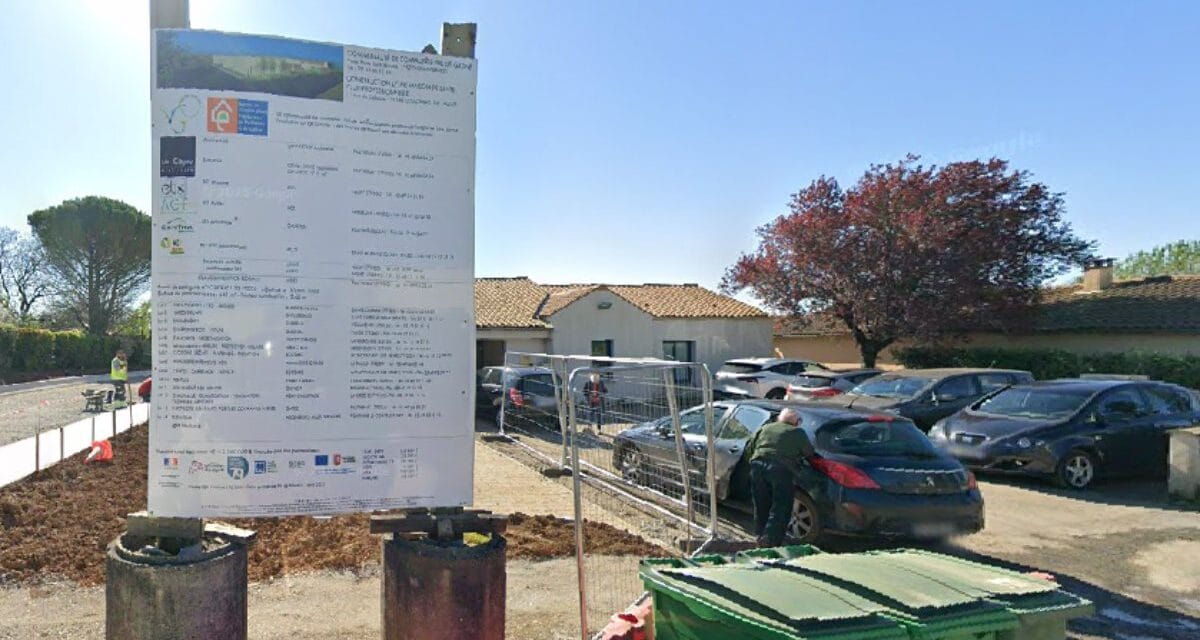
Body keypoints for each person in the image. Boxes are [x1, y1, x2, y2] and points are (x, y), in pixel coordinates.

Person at [743, 407, 814, 547]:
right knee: (781, 506)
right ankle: (770, 540)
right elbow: (809, 453)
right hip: (780, 470)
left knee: (761, 503)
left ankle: (759, 535)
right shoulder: (797, 432)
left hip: (757, 466)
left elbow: (749, 449)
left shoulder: (765, 428)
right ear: (796, 422)